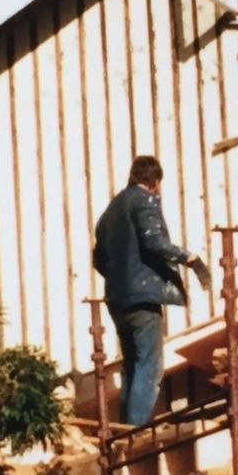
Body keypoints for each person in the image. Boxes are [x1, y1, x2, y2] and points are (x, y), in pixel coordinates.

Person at [93, 156, 210, 426]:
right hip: (143, 298)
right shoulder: (144, 201)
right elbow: (154, 242)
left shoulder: (110, 212)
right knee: (149, 365)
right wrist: (191, 259)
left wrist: (121, 281)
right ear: (155, 183)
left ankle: (125, 429)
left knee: (132, 364)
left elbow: (98, 259)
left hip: (117, 299)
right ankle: (136, 432)